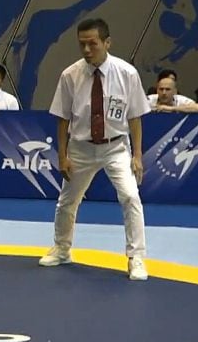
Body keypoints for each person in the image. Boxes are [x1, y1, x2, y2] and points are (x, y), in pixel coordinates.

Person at [39, 18, 152, 281]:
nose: (87, 50)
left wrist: (137, 156)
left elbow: (135, 117)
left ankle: (136, 258)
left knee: (130, 197)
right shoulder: (70, 75)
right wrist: (62, 155)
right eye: (82, 45)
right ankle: (62, 249)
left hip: (116, 147)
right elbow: (63, 118)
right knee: (67, 201)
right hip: (81, 148)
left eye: (93, 44)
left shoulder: (127, 73)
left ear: (107, 42)